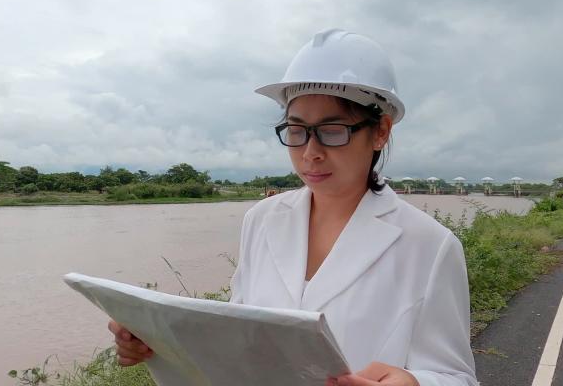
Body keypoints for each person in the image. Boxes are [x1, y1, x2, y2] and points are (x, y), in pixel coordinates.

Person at [109, 28, 479, 386]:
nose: (310, 152)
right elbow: (237, 337)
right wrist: (160, 343)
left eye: (333, 131)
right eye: (297, 130)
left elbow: (455, 376)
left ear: (380, 131)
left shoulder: (429, 244)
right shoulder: (262, 219)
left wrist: (413, 383)